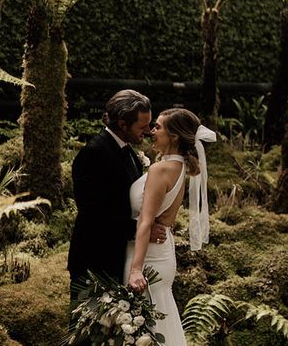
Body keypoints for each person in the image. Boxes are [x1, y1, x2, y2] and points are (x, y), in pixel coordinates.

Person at [67, 89, 167, 308]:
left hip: (119, 258)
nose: (149, 131)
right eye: (142, 126)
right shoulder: (92, 154)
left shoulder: (129, 152)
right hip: (94, 262)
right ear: (122, 124)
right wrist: (141, 230)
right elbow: (93, 216)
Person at [125, 108, 216, 345]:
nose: (152, 131)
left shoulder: (160, 170)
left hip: (146, 258)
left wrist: (135, 270)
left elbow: (145, 222)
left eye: (158, 127)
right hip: (162, 252)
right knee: (158, 323)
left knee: (144, 329)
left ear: (174, 136)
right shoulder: (180, 167)